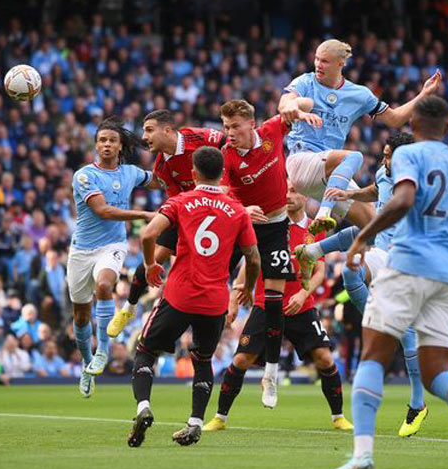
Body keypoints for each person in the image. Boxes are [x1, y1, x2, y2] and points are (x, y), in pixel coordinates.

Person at [333, 96, 448, 469]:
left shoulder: (408, 156)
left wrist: (365, 235)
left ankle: (362, 453)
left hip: (408, 263)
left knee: (373, 357)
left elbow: (404, 198)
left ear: (413, 126)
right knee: (436, 371)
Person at [294, 132, 428, 437]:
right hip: (383, 254)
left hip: (409, 261)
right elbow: (375, 191)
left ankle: (418, 404)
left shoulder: (418, 186)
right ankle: (377, 320)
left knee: (408, 336)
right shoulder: (384, 173)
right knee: (350, 272)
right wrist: (352, 195)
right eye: (384, 154)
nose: (384, 161)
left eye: (390, 156)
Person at [127, 146, 260, 448]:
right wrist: (246, 289)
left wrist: (150, 266)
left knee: (146, 350)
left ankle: (144, 407)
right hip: (214, 300)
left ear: (193, 173)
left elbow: (148, 235)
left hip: (180, 295)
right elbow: (253, 258)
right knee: (202, 360)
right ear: (222, 173)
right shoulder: (238, 211)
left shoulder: (180, 202)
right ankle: (195, 423)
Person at [204, 182, 352, 432]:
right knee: (241, 360)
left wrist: (303, 294)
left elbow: (320, 269)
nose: (288, 195)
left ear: (306, 196)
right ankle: (220, 417)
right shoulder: (269, 225)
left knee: (324, 358)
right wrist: (234, 296)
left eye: (294, 191)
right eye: (286, 190)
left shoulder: (315, 228)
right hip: (265, 303)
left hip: (301, 307)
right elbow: (249, 262)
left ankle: (338, 417)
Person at [278, 39, 442, 234]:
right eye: (316, 59)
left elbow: (395, 119)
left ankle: (313, 252)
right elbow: (286, 102)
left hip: (332, 174)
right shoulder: (305, 81)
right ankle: (324, 214)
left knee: (377, 227)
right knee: (354, 157)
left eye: (325, 61)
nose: (318, 65)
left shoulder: (359, 94)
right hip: (302, 163)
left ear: (341, 64)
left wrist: (423, 94)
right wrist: (291, 108)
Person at [220, 99, 320, 408]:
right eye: (225, 127)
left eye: (235, 126)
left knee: (274, 302)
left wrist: (298, 108)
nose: (230, 133)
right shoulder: (226, 155)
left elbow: (303, 101)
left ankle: (271, 374)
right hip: (244, 225)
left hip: (275, 226)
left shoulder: (272, 132)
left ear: (251, 124)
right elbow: (221, 193)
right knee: (213, 272)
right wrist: (243, 209)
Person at [110, 109, 225, 337]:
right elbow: (176, 199)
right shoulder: (162, 166)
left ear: (168, 130)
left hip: (219, 209)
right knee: (152, 256)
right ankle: (129, 308)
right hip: (190, 212)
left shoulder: (200, 138)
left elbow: (228, 143)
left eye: (149, 130)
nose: (145, 136)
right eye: (144, 131)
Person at [68, 117, 156, 398]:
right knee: (80, 314)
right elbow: (103, 211)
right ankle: (86, 363)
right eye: (102, 140)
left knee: (105, 286)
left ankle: (103, 350)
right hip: (82, 250)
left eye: (112, 140)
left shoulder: (131, 172)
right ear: (96, 145)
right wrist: (144, 214)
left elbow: (161, 180)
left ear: (120, 146)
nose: (106, 144)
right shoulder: (84, 176)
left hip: (113, 246)